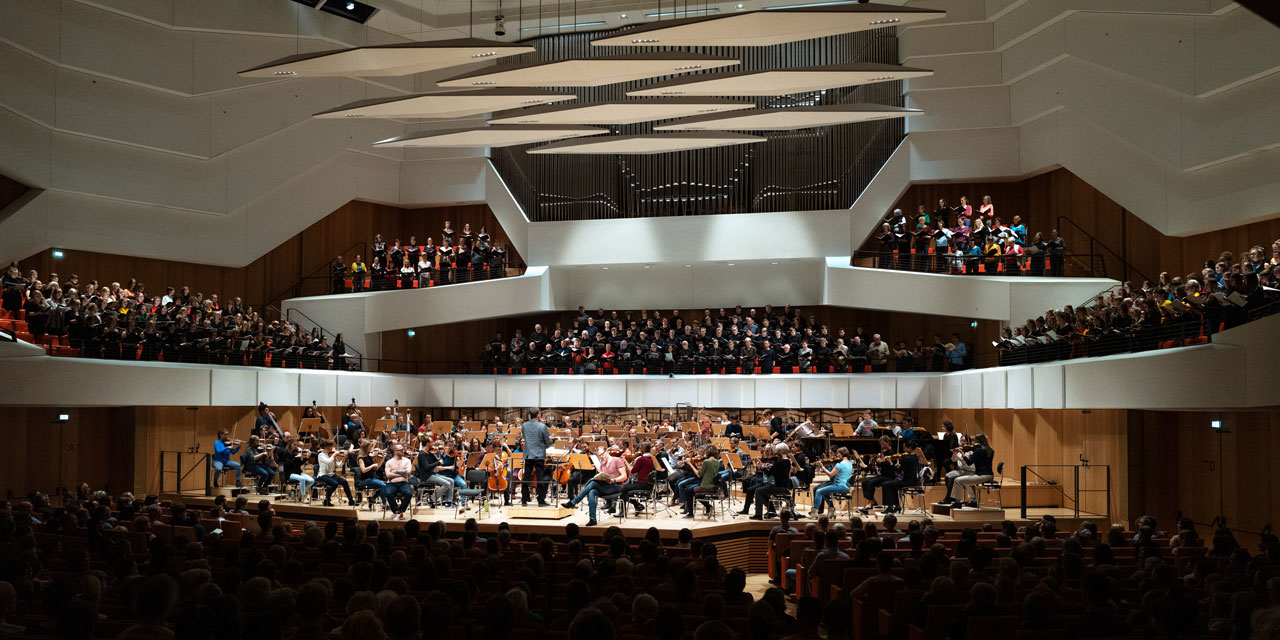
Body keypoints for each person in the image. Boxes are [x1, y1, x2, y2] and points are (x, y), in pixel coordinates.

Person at [562, 444, 628, 526]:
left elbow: (624, 476)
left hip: (616, 486)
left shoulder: (616, 460)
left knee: (592, 483)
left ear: (607, 451)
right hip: (605, 486)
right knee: (592, 492)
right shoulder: (602, 464)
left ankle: (574, 501)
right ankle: (592, 519)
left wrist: (614, 479)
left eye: (602, 454)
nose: (601, 457)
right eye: (599, 456)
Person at [947, 434, 994, 508]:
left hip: (982, 476)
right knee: (969, 478)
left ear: (977, 441)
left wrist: (963, 454)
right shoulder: (990, 450)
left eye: (975, 441)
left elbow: (969, 463)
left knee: (957, 480)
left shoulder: (978, 450)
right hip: (990, 475)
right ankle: (973, 501)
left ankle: (958, 502)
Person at [749, 443, 793, 520]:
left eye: (777, 450)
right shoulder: (787, 461)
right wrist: (771, 466)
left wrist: (762, 466)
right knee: (763, 492)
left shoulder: (779, 462)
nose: (776, 452)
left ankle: (758, 515)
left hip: (778, 487)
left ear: (780, 450)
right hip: (785, 486)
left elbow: (769, 474)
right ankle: (771, 510)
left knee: (758, 491)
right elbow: (778, 469)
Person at [681, 444, 722, 519]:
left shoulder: (706, 461)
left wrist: (690, 464)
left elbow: (699, 475)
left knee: (688, 491)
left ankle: (690, 513)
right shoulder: (717, 462)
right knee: (696, 494)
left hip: (706, 486)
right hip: (714, 486)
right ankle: (708, 506)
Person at [810, 448, 853, 518]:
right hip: (846, 486)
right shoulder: (850, 463)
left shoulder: (840, 464)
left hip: (839, 486)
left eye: (838, 453)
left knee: (818, 491)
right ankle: (831, 509)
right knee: (824, 492)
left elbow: (830, 475)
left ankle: (814, 513)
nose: (837, 455)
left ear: (841, 454)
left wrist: (822, 467)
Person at [521, 408, 552, 506]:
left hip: (528, 453)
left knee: (526, 476)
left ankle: (524, 499)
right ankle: (541, 500)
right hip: (539, 454)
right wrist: (544, 445)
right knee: (540, 477)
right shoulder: (542, 426)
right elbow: (548, 442)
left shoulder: (524, 426)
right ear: (538, 415)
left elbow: (526, 438)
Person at [315, 441, 355, 507]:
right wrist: (335, 454)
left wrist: (343, 459)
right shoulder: (321, 455)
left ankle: (351, 500)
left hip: (331, 475)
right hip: (322, 475)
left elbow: (338, 465)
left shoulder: (331, 454)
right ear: (325, 447)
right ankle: (326, 500)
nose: (331, 449)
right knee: (335, 483)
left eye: (331, 447)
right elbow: (328, 461)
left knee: (344, 482)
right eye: (329, 447)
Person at [380, 443, 414, 519]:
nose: (404, 451)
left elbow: (408, 472)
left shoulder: (407, 461)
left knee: (408, 494)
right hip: (392, 483)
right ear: (395, 451)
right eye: (401, 450)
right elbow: (388, 475)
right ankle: (396, 511)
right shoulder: (389, 462)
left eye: (403, 449)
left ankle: (401, 510)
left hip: (404, 483)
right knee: (388, 494)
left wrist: (394, 472)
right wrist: (402, 473)